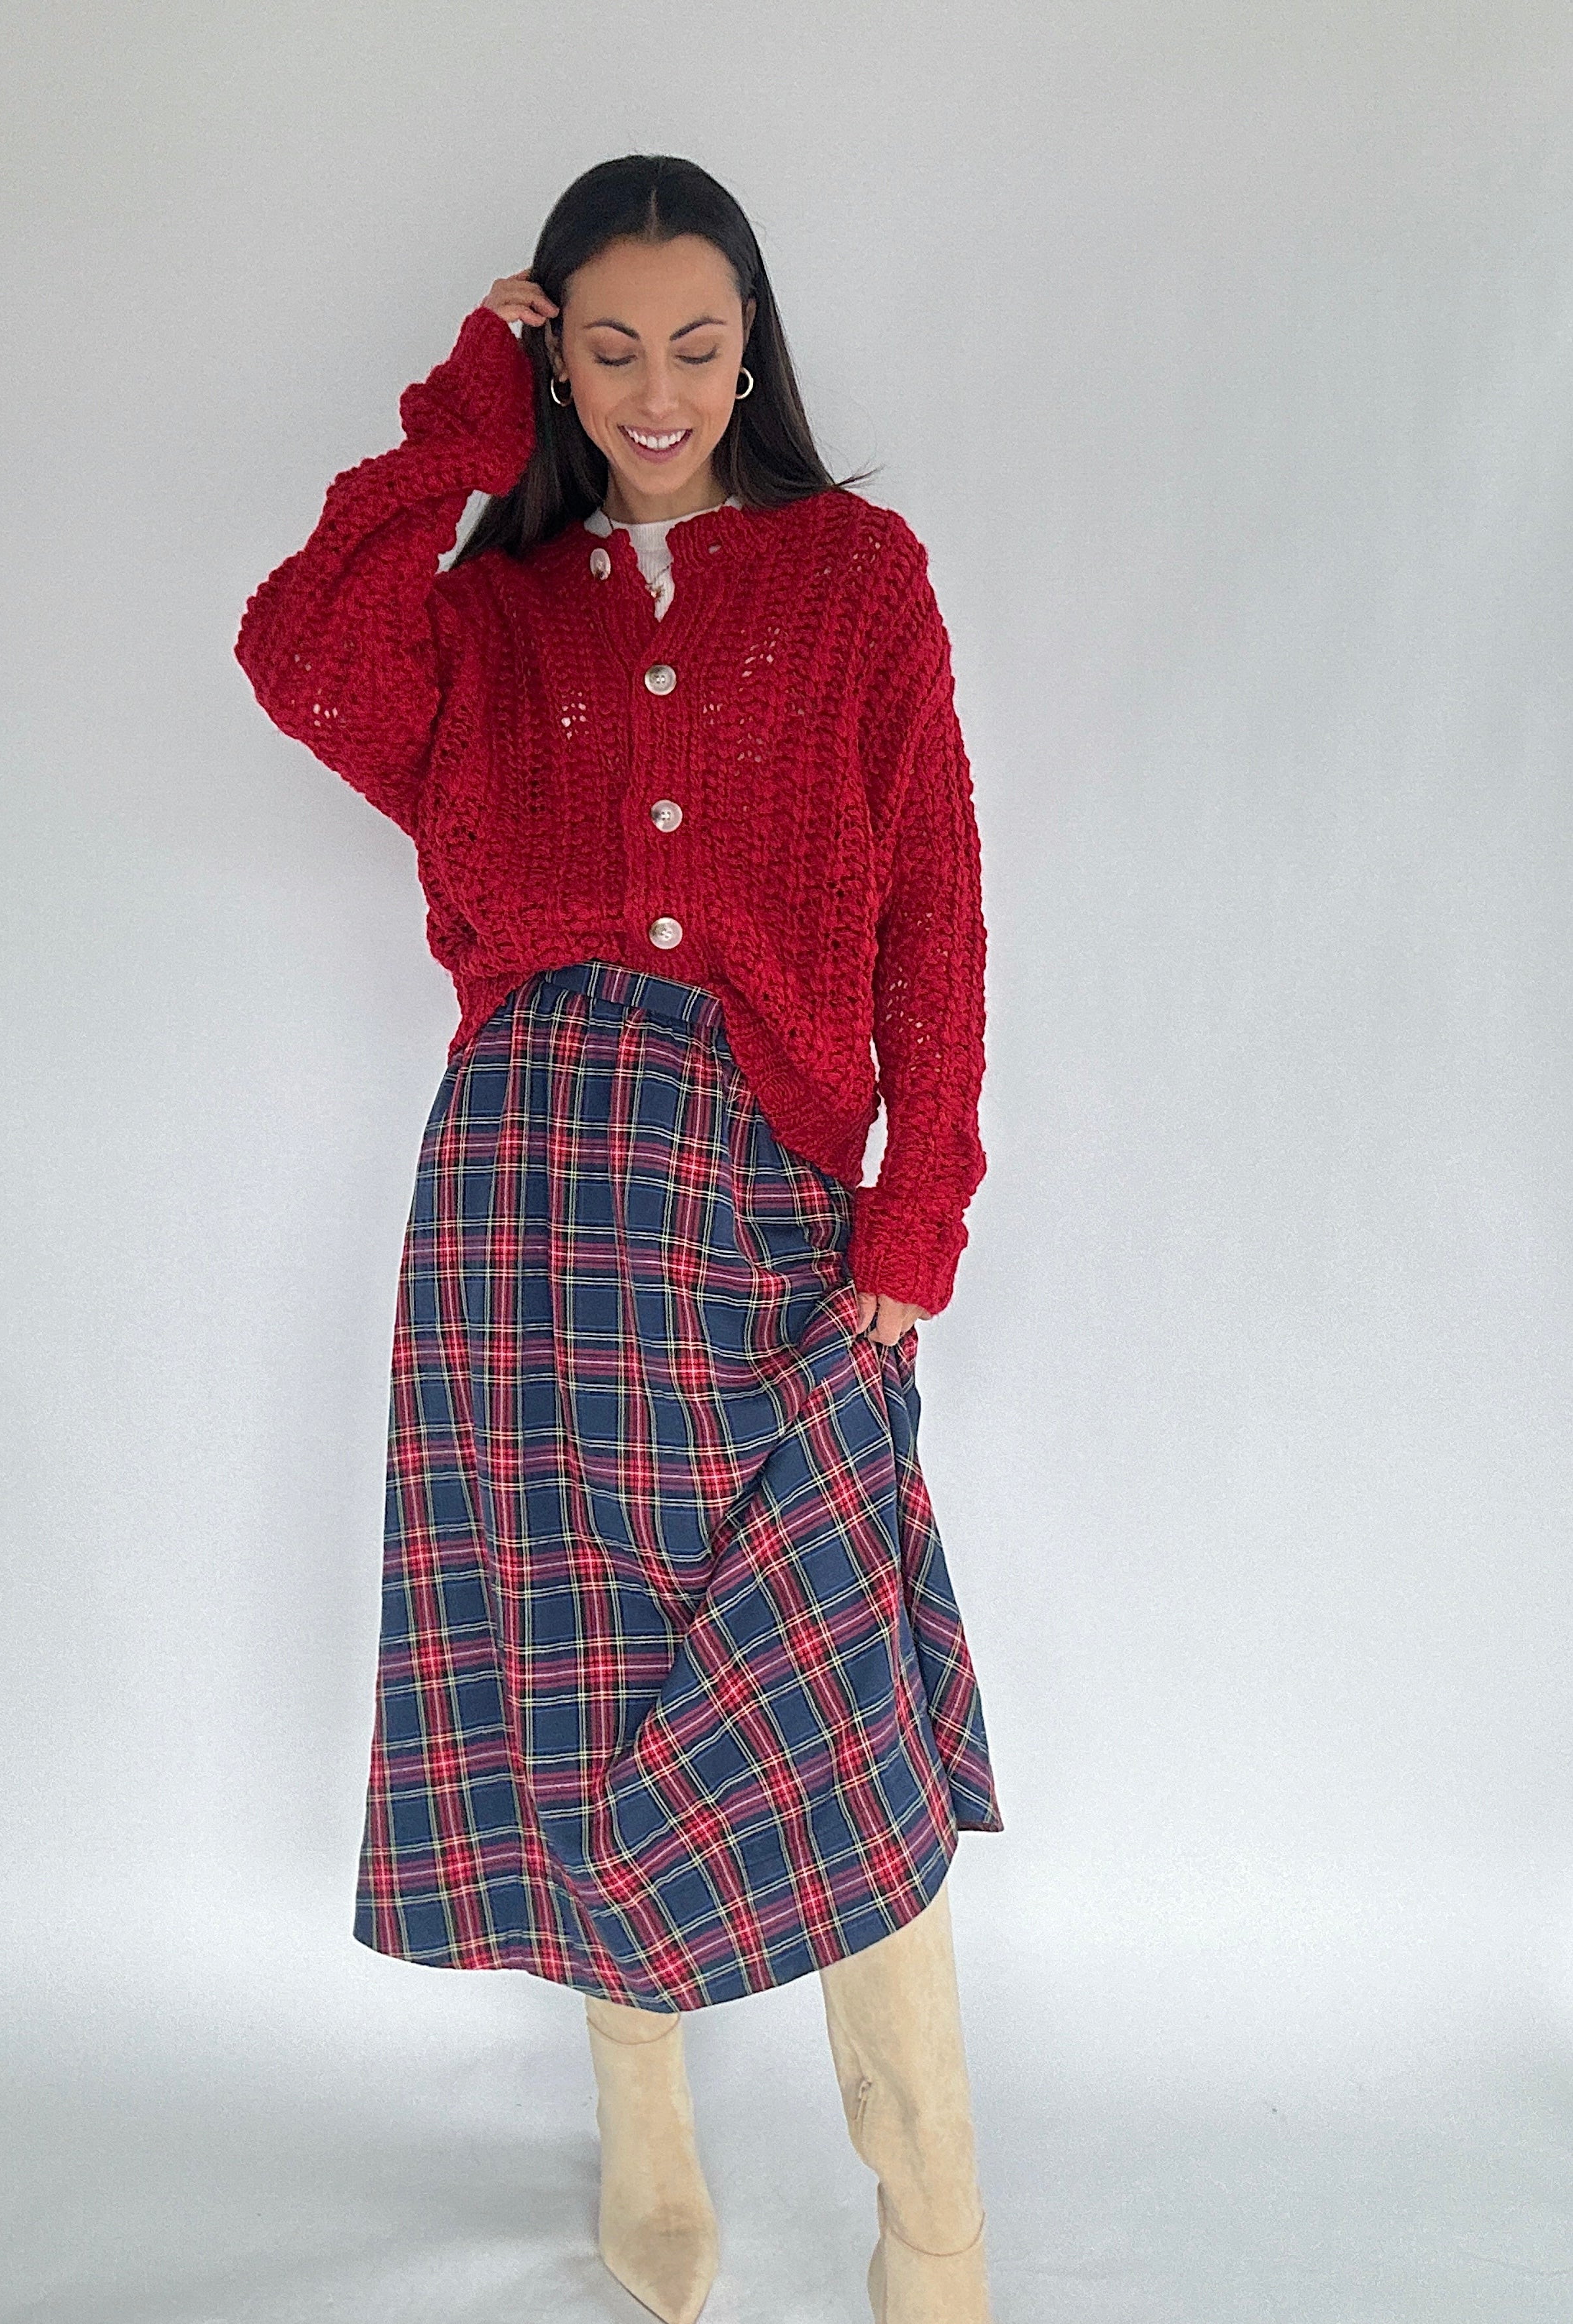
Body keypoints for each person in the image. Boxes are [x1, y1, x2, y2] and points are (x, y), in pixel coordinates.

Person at [235, 151, 1003, 2324]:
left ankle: (933, 2217)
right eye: (603, 347)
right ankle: (647, 2142)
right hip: (517, 1215)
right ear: (553, 353)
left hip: (755, 1194)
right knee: (579, 1682)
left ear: (749, 339)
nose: (654, 389)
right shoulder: (489, 609)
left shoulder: (859, 577)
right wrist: (465, 422)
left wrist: (914, 1209)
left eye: (692, 341)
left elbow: (935, 892)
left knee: (827, 1684)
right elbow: (299, 655)